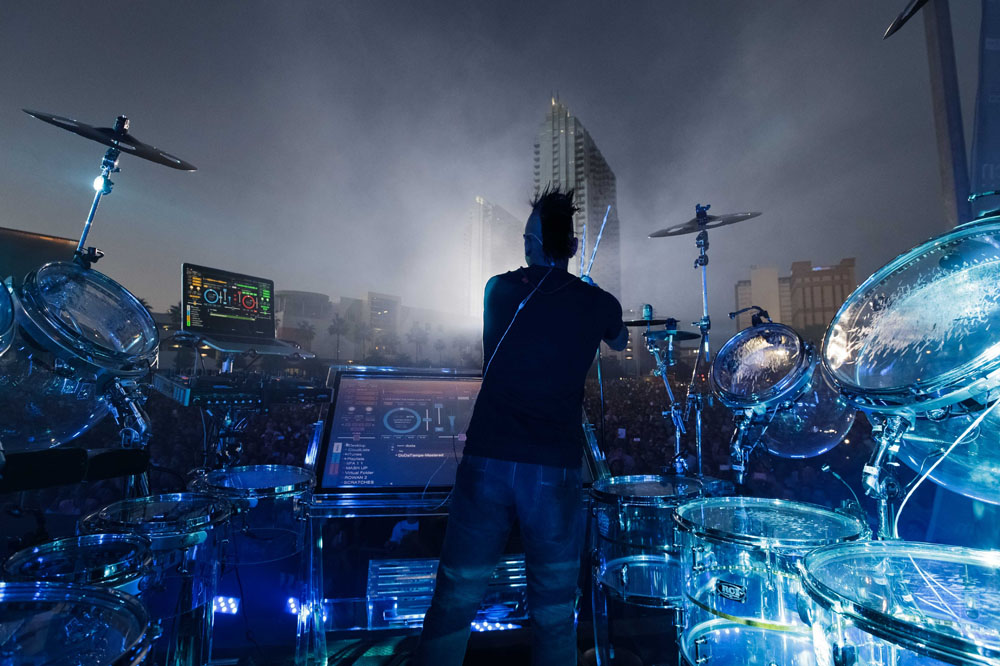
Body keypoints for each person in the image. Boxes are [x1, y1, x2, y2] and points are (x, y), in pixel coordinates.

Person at [414, 186, 627, 666]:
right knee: (554, 613)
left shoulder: (497, 289)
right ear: (573, 246)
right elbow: (618, 342)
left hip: (486, 462)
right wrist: (589, 296)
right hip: (553, 470)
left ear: (529, 244)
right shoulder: (597, 303)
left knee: (453, 601)